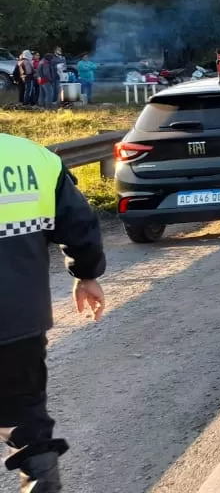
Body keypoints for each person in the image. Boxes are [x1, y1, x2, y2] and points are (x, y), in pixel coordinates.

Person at [0, 132, 107, 492]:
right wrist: (86, 273)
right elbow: (78, 224)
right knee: (27, 420)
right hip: (19, 322)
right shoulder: (33, 158)